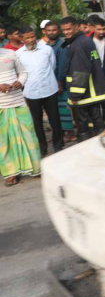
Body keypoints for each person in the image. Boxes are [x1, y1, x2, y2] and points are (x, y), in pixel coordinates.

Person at [60, 16, 105, 141]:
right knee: (97, 119)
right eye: (64, 30)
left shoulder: (78, 44)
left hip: (84, 92)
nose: (66, 32)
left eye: (69, 29)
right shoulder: (84, 41)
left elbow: (80, 71)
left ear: (76, 27)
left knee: (83, 124)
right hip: (92, 90)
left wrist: (74, 95)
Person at [17, 26, 63, 157]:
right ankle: (43, 149)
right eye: (28, 38)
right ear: (22, 39)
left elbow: (52, 66)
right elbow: (20, 74)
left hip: (50, 89)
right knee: (37, 123)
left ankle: (58, 146)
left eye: (33, 37)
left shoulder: (47, 50)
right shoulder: (19, 55)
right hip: (32, 93)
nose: (31, 40)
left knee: (55, 120)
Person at [0, 42, 39, 187]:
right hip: (1, 107)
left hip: (18, 102)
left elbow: (23, 72)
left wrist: (20, 82)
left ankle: (35, 168)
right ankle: (11, 174)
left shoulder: (10, 53)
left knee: (29, 135)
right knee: (4, 143)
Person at [43, 21, 74, 141]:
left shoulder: (62, 45)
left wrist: (60, 83)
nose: (51, 32)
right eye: (49, 30)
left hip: (60, 83)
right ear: (45, 32)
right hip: (49, 82)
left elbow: (62, 66)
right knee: (54, 110)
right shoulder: (45, 46)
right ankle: (59, 134)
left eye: (54, 30)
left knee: (63, 109)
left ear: (58, 31)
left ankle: (70, 134)